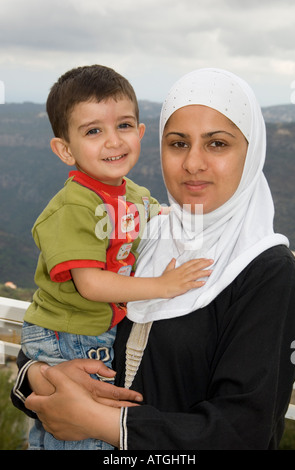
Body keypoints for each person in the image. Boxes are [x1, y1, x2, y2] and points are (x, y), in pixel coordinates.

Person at [12, 68, 295, 450]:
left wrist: (98, 420)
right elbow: (47, 339)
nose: (193, 163)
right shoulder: (144, 231)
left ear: (252, 151)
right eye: (178, 143)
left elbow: (245, 431)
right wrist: (45, 377)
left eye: (217, 144)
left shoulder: (266, 271)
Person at [19, 64, 212, 450]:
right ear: (65, 149)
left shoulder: (133, 194)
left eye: (124, 126)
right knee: (81, 433)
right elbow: (90, 284)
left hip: (96, 331)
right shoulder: (73, 207)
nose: (113, 141)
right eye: (94, 131)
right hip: (68, 334)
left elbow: (157, 212)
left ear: (140, 134)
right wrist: (161, 286)